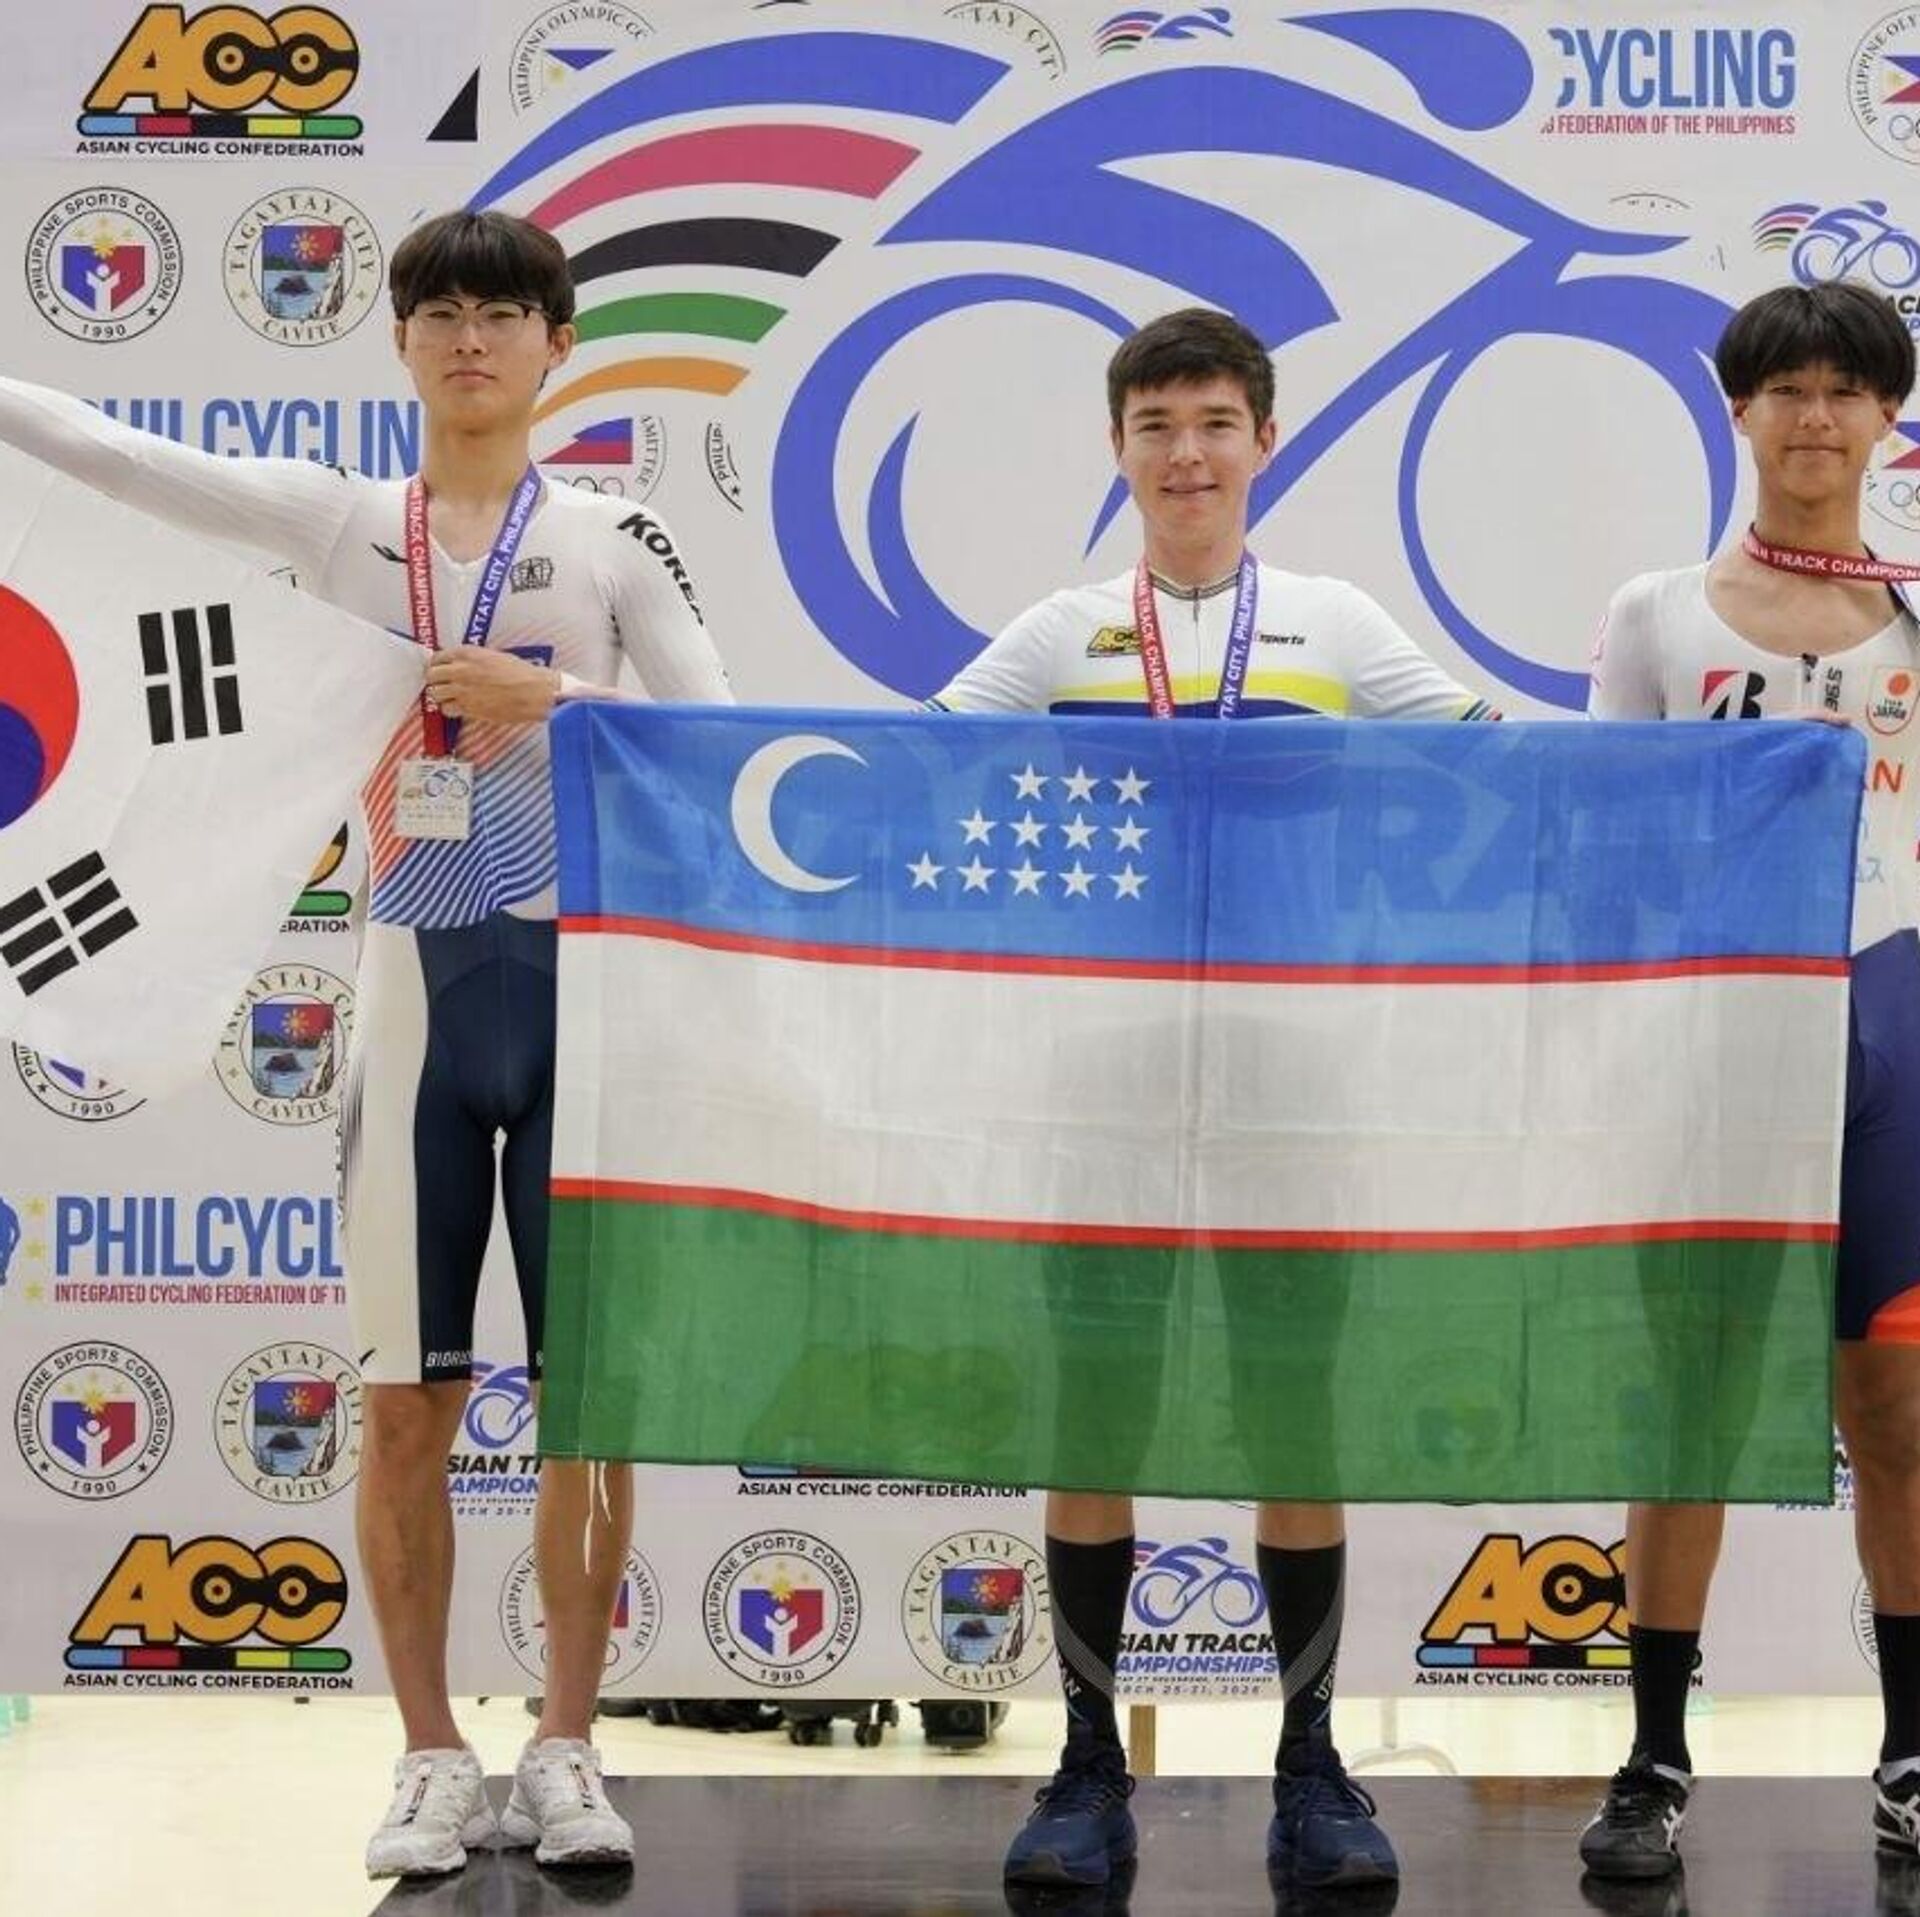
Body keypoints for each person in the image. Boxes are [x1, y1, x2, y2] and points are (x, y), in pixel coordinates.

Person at [0, 209, 733, 1879]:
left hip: (588, 1003)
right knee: (404, 1406)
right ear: (400, 340)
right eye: (442, 312)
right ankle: (426, 1754)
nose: (472, 338)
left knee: (585, 1411)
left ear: (557, 347)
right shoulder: (340, 523)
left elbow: (719, 738)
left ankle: (565, 1743)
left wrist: (558, 704)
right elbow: (118, 456)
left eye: (504, 314)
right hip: (409, 1003)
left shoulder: (613, 537)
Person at [928, 305, 1497, 1897]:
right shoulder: (1058, 634)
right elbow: (889, 762)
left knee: (1293, 1414)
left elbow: (1509, 760)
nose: (1187, 453)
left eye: (1215, 423)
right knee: (1095, 1416)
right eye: (1157, 425)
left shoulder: (1334, 623)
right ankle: (1086, 1765)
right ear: (1116, 447)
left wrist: (1732, 767)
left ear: (1265, 441)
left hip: (1289, 1079)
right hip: (1101, 1079)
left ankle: (1310, 1767)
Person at [1581, 279, 1920, 1883]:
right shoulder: (1658, 613)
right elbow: (1608, 845)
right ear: (1739, 411)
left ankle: (1910, 1753)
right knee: (1692, 1417)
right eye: (1786, 389)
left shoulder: (1918, 610)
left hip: (1890, 1035)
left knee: (1896, 1411)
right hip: (1712, 1041)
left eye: (1846, 390)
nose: (1815, 417)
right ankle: (1652, 1758)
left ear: (1886, 418)